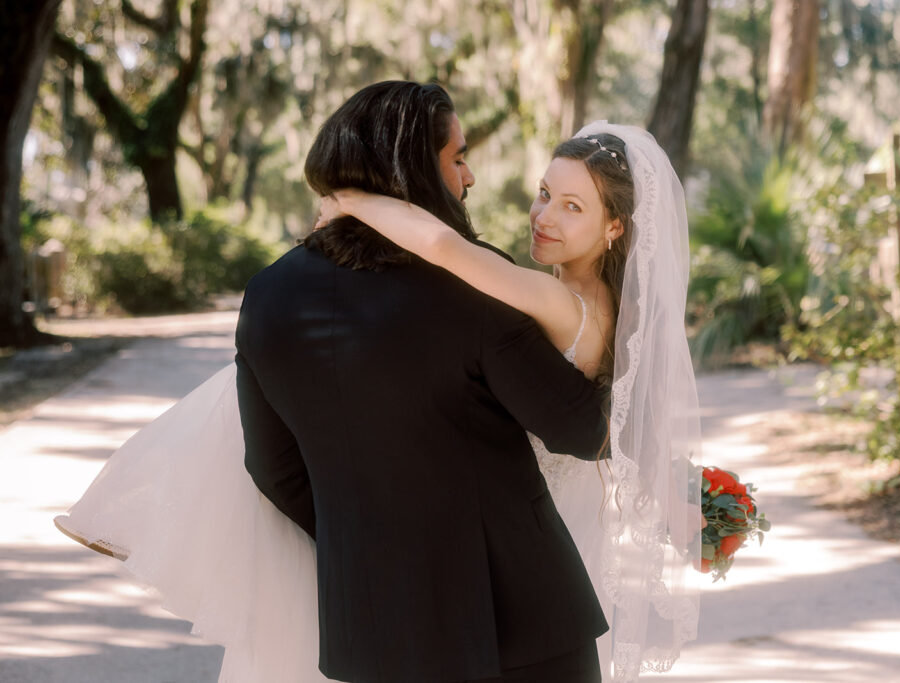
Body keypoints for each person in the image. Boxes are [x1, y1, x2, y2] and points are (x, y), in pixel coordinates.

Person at [55, 81, 611, 683]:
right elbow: (579, 428)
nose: (469, 177)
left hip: (369, 626)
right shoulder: (474, 285)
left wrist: (369, 533)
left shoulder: (268, 295)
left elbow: (273, 470)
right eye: (456, 158)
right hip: (519, 620)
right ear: (414, 171)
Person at [316, 122, 704, 680]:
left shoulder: (561, 300)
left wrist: (351, 200)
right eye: (545, 194)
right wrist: (678, 499)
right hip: (562, 513)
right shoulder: (617, 310)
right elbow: (633, 427)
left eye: (573, 207)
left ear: (615, 227)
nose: (544, 217)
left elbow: (447, 249)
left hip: (521, 517)